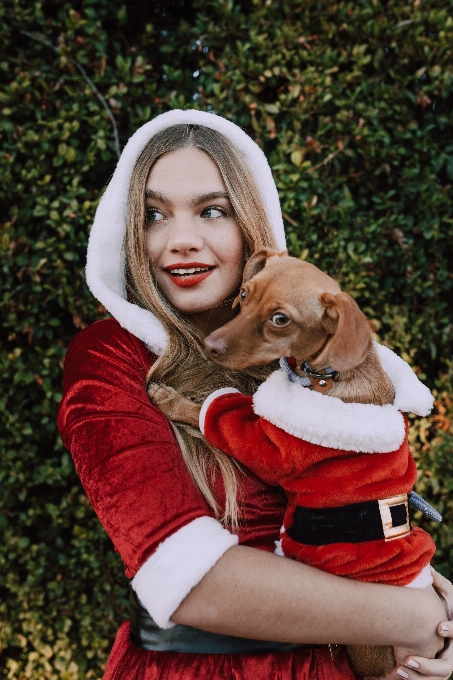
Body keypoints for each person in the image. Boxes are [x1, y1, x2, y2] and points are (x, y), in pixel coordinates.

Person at [58, 109, 453, 680]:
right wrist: (414, 617)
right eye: (153, 215)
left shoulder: (304, 346)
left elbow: (371, 507)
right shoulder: (112, 356)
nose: (181, 241)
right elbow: (190, 582)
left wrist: (438, 629)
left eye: (212, 211)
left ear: (251, 222)